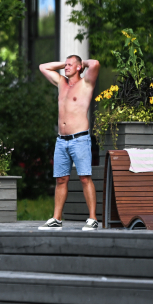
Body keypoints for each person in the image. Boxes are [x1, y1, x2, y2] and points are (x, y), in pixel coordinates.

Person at [38, 55, 100, 231]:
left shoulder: (86, 83)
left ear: (80, 67)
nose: (66, 67)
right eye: (65, 65)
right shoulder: (61, 83)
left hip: (79, 138)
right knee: (61, 179)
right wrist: (66, 63)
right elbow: (43, 66)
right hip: (61, 140)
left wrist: (80, 62)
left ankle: (93, 218)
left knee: (85, 177)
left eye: (70, 65)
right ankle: (57, 218)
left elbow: (94, 63)